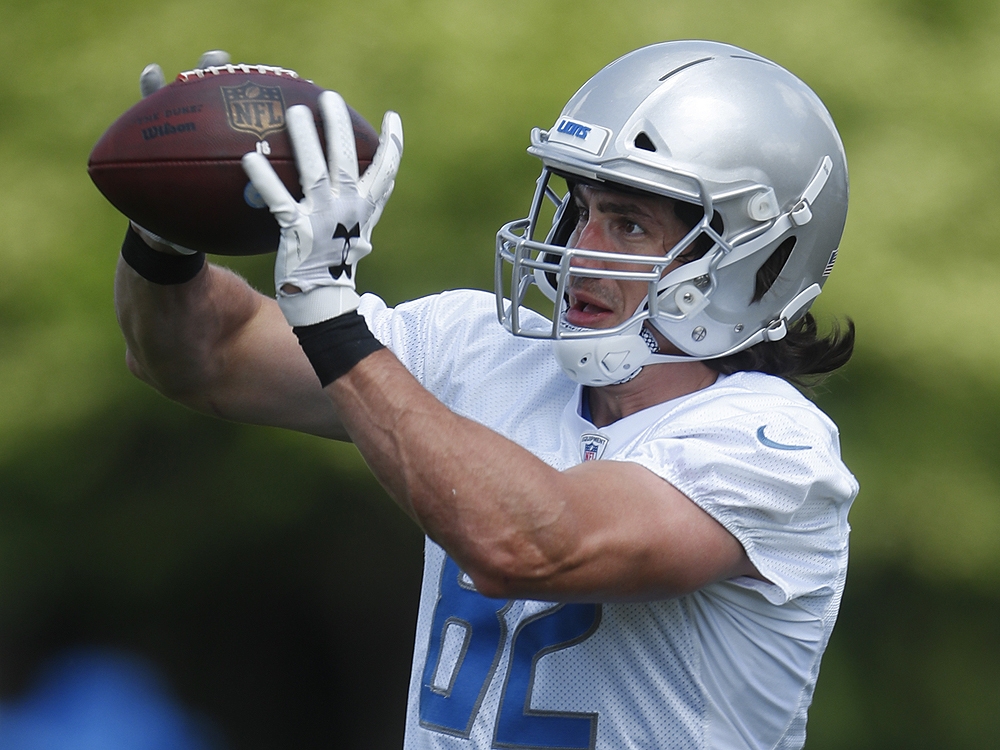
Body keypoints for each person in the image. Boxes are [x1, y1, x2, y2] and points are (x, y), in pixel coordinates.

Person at [114, 41, 858, 750]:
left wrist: (330, 314)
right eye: (580, 208)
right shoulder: (480, 347)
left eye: (629, 224)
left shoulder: (772, 447)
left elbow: (531, 545)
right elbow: (202, 355)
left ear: (753, 261)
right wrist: (169, 234)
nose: (577, 249)